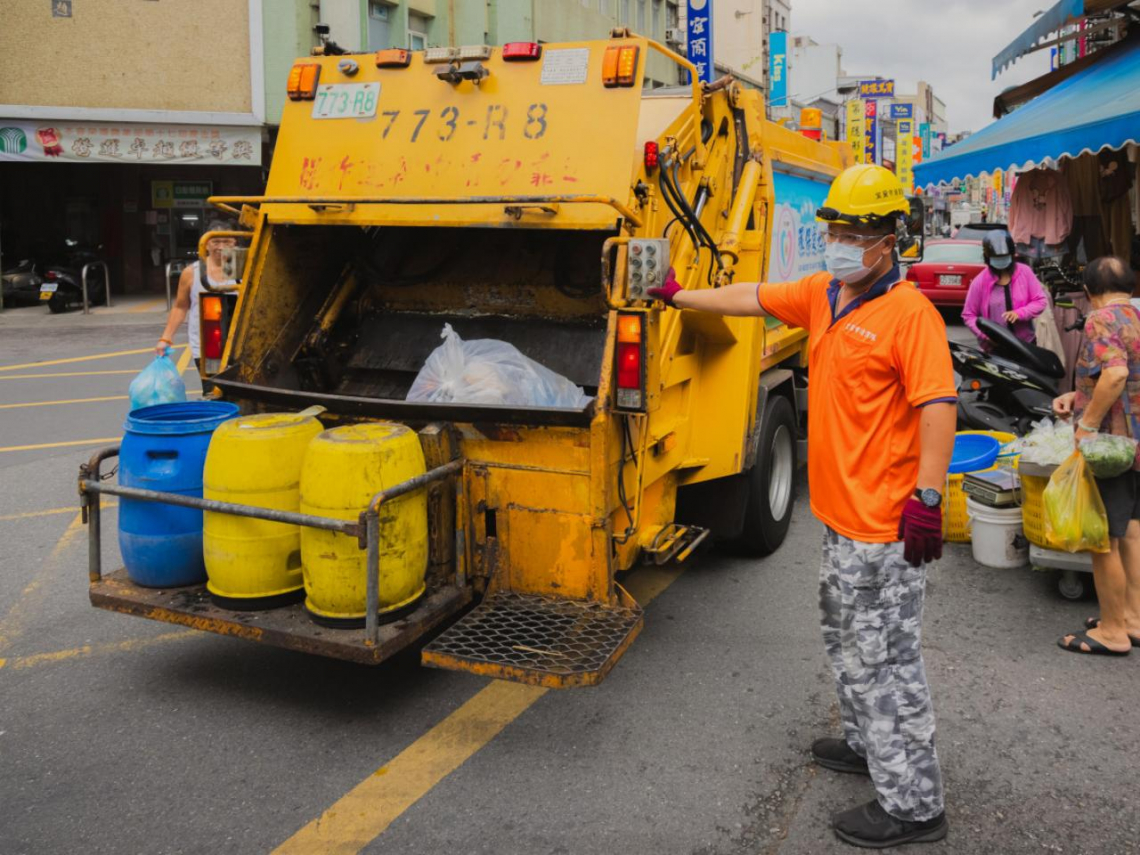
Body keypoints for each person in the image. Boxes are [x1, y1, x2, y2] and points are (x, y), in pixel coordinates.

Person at [648, 164, 956, 848]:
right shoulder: (826, 294)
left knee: (888, 659)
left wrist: (928, 497)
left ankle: (914, 804)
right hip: (843, 521)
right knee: (849, 645)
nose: (840, 241)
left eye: (854, 231)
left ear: (889, 238)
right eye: (835, 228)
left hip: (885, 525)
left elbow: (938, 407)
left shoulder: (912, 316)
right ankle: (869, 745)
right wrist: (678, 295)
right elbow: (750, 295)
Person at [1053, 255, 1140, 656]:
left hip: (1113, 447)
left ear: (1088, 292)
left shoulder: (1100, 318)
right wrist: (1080, 394)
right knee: (1133, 531)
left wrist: (1086, 424)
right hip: (1136, 445)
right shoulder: (1137, 313)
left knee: (1103, 536)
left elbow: (1117, 373)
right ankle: (1132, 618)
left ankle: (1112, 632)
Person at [155, 221, 237, 378]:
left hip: (239, 344)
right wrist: (165, 338)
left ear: (234, 243)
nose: (221, 247)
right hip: (208, 346)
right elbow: (180, 307)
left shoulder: (243, 269)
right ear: (206, 244)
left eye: (226, 241)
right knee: (213, 391)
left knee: (242, 392)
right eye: (216, 242)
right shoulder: (192, 272)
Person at [961, 230, 1048, 350]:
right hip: (995, 347)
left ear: (1012, 255)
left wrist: (1020, 313)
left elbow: (1040, 301)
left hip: (1026, 344)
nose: (1001, 260)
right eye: (997, 257)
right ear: (988, 257)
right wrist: (985, 336)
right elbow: (969, 315)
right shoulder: (980, 281)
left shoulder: (1025, 272)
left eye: (1004, 256)